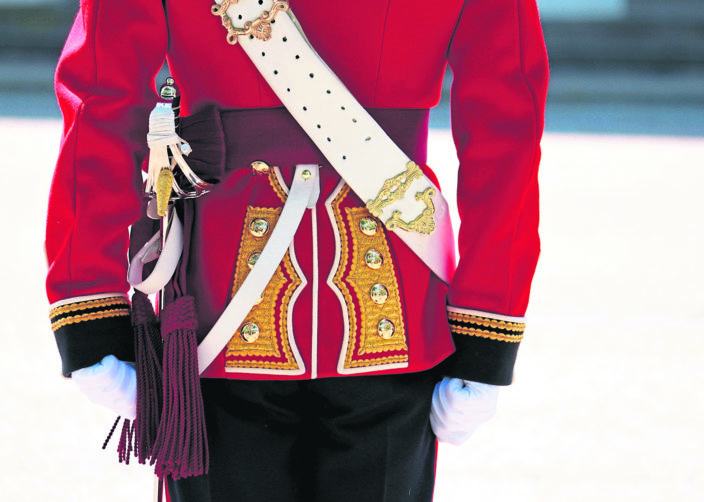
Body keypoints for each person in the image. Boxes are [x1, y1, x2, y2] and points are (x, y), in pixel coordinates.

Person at [46, 1, 548, 500]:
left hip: (217, 297)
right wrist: (488, 323)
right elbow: (507, 122)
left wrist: (88, 305)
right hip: (393, 293)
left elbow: (100, 103)